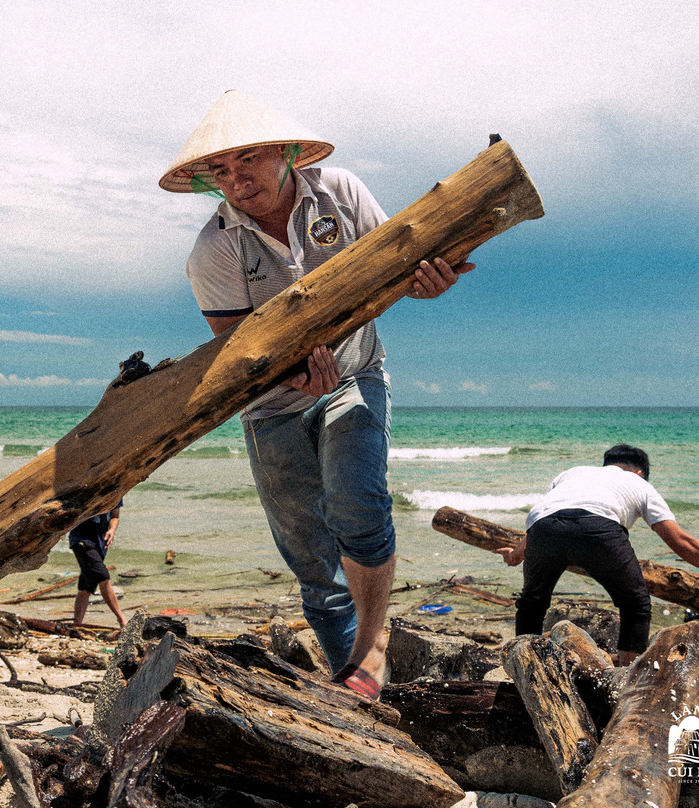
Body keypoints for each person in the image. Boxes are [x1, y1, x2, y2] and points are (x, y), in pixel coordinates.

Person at [159, 90, 473, 698]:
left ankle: (371, 649)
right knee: (311, 559)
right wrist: (292, 379)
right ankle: (352, 680)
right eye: (220, 170)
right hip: (271, 406)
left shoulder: (341, 192)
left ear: (286, 152)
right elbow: (237, 350)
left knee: (358, 501)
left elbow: (395, 270)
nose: (235, 178)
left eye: (247, 157)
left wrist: (428, 285)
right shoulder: (215, 248)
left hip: (356, 373)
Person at [497, 444, 699, 665]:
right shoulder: (637, 482)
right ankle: (627, 679)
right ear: (640, 472)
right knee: (636, 603)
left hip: (543, 530)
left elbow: (548, 515)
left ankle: (527, 669)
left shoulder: (572, 473)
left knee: (531, 602)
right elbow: (679, 541)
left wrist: (515, 556)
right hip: (597, 530)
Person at [69, 501, 127, 628]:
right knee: (103, 577)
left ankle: (77, 623)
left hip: (101, 541)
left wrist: (112, 530)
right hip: (81, 539)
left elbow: (115, 516)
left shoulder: (118, 487)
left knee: (86, 586)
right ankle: (122, 620)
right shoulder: (88, 484)